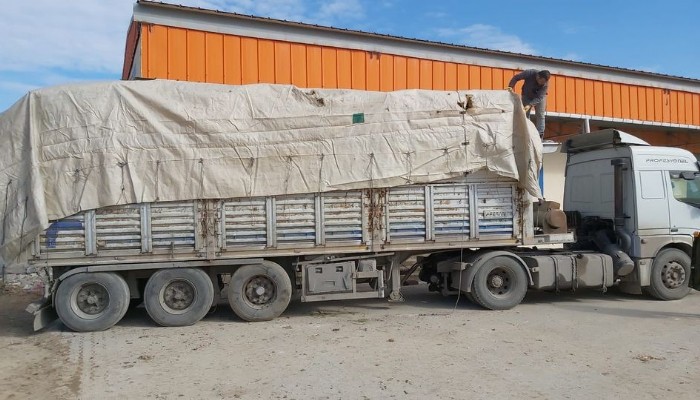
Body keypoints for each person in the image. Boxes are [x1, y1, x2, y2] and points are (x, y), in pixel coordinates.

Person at [507, 69, 550, 137]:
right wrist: (510, 86)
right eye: (541, 82)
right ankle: (527, 132)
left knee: (540, 114)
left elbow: (539, 98)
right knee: (525, 114)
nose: (541, 84)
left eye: (543, 83)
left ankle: (540, 134)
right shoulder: (529, 73)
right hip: (526, 95)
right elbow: (516, 77)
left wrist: (530, 105)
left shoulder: (545, 84)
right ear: (538, 77)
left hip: (538, 98)